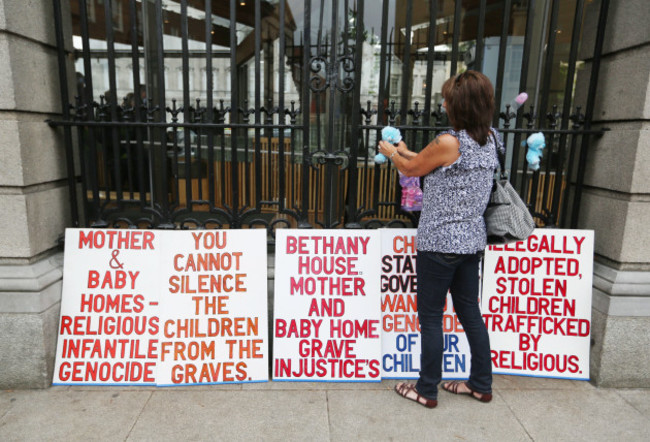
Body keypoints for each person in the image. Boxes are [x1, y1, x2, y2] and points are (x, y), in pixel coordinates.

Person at [377, 70, 501, 408]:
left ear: (460, 105)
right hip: (471, 243)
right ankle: (480, 384)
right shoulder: (490, 138)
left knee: (431, 317)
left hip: (440, 244)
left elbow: (413, 169)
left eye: (447, 98)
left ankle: (426, 389)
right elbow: (430, 161)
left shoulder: (449, 140)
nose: (443, 103)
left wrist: (391, 152)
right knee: (470, 313)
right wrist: (405, 150)